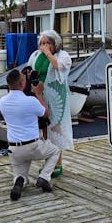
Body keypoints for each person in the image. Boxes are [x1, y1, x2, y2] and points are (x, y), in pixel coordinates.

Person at [0, 69, 60, 201]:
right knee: (55, 151)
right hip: (33, 146)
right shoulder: (31, 101)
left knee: (21, 175)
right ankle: (44, 177)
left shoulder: (2, 102)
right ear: (22, 84)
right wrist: (38, 94)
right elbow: (45, 113)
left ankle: (19, 181)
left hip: (14, 149)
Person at [28, 30, 74, 178]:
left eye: (48, 43)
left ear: (55, 44)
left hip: (55, 97)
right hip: (40, 95)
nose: (44, 46)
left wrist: (48, 53)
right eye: (42, 43)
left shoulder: (62, 56)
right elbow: (31, 70)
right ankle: (48, 163)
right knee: (44, 129)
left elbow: (58, 67)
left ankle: (57, 164)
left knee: (55, 129)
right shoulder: (35, 56)